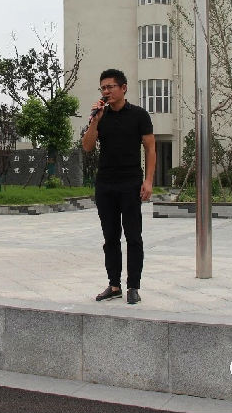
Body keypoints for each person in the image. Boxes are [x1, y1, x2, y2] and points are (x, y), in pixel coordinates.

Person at [81, 69, 155, 305]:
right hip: (105, 184)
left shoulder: (139, 115)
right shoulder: (100, 116)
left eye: (110, 87)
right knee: (110, 237)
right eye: (103, 88)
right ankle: (114, 285)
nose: (106, 91)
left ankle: (133, 286)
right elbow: (87, 147)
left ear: (123, 88)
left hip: (131, 182)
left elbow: (150, 149)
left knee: (133, 236)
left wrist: (149, 181)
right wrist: (95, 121)